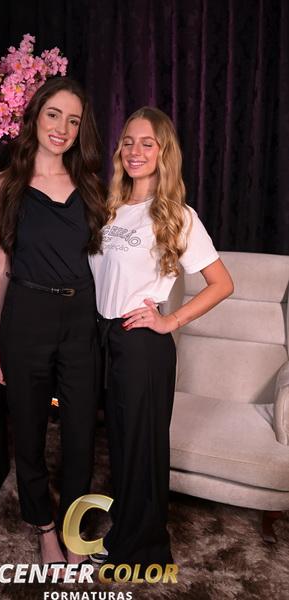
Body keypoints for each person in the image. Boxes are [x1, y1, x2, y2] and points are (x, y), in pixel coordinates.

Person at [88, 107, 234, 571]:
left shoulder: (176, 215)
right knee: (120, 445)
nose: (135, 151)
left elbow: (222, 283)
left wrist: (170, 322)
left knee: (142, 449)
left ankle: (142, 550)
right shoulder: (110, 207)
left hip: (141, 344)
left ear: (163, 152)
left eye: (147, 143)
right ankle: (128, 535)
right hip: (106, 338)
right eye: (128, 142)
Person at [0, 77, 107, 570]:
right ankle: (44, 527)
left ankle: (74, 529)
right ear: (35, 115)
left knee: (80, 435)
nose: (62, 128)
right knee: (29, 431)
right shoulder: (3, 187)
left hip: (80, 319)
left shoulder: (91, 186)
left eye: (73, 120)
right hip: (26, 318)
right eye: (54, 114)